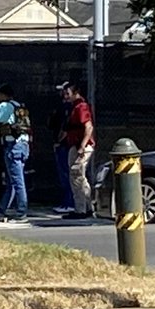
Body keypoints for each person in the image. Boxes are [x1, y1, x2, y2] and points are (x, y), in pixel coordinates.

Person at [0, 84, 29, 221]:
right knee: (12, 181)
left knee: (17, 181)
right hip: (23, 145)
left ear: (3, 95)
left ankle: (22, 211)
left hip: (12, 146)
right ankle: (1, 209)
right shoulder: (19, 106)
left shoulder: (4, 106)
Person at [62, 81, 95, 219]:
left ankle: (80, 209)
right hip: (75, 145)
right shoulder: (74, 107)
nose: (65, 96)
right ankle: (87, 207)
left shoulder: (81, 107)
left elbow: (88, 127)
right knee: (80, 177)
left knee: (76, 176)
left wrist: (82, 146)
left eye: (68, 93)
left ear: (76, 93)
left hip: (80, 147)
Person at [47, 82, 76, 213]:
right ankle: (66, 201)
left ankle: (69, 202)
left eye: (65, 92)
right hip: (60, 144)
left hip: (64, 145)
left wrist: (59, 140)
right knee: (63, 174)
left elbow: (66, 126)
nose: (63, 94)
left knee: (66, 174)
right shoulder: (60, 107)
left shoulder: (68, 107)